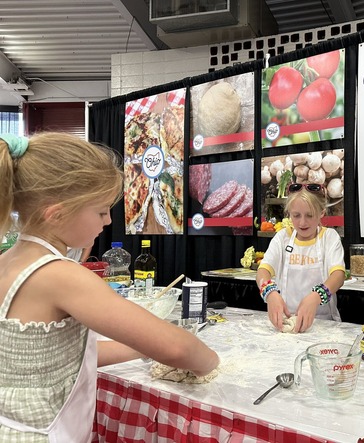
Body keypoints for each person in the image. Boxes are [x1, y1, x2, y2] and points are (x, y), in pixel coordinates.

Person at [0, 132, 219, 442]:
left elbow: (62, 360)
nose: (106, 222)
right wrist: (209, 361)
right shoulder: (60, 275)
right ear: (56, 213)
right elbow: (178, 347)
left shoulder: (8, 260)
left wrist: (141, 345)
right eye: (102, 211)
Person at [256, 183, 346, 333]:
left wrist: (316, 296)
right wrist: (270, 292)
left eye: (309, 215)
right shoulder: (282, 237)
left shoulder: (329, 238)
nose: (302, 222)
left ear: (321, 213)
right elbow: (263, 271)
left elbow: (338, 275)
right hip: (285, 320)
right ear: (289, 213)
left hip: (322, 325)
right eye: (296, 215)